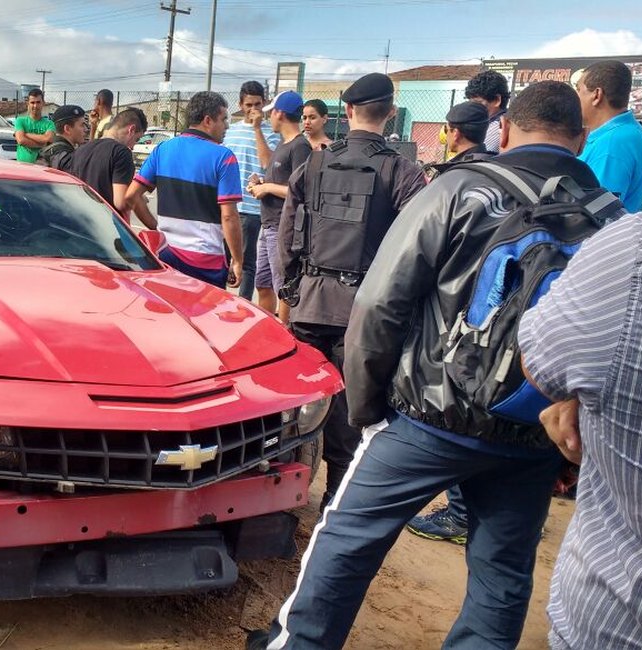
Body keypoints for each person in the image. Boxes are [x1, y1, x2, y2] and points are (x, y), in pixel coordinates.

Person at [249, 80, 612, 650]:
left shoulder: (461, 188)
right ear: (583, 139)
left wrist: (368, 407)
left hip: (430, 416)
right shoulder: (607, 217)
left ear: (508, 130)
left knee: (347, 539)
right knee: (503, 573)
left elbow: (380, 302)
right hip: (534, 429)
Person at [520, 202, 642, 650]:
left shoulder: (640, 247)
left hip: (620, 619)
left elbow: (540, 362)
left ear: (503, 130)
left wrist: (583, 389)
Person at [277, 72, 426, 511]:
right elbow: (417, 246)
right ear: (391, 113)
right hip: (363, 314)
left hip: (310, 302)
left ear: (346, 113)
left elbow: (287, 232)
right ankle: (333, 506)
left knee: (297, 408)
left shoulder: (315, 163)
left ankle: (282, 499)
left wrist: (292, 288)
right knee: (348, 417)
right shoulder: (403, 171)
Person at [405, 99, 495, 545]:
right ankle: (475, 513)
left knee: (455, 413)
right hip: (494, 319)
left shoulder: (451, 183)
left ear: (451, 132)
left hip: (451, 318)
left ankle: (459, 514)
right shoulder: (504, 179)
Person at [124, 91, 243, 289]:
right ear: (208, 120)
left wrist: (155, 227)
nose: (227, 126)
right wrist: (238, 261)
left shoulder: (163, 149)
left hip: (166, 256)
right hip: (206, 262)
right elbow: (229, 216)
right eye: (223, 119)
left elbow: (130, 197)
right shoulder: (224, 157)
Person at [247, 91, 311, 320]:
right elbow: (282, 180)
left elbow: (301, 191)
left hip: (282, 227)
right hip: (269, 225)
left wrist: (267, 188)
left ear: (279, 113)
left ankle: (285, 330)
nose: (269, 119)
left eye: (271, 113)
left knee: (282, 285)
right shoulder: (285, 145)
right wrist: (262, 184)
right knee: (263, 283)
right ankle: (268, 328)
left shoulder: (300, 147)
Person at [223, 80, 280, 300]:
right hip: (229, 204)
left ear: (264, 103)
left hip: (255, 207)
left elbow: (268, 164)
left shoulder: (272, 132)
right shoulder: (231, 131)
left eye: (257, 104)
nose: (253, 109)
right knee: (223, 257)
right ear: (240, 104)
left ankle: (243, 304)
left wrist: (257, 129)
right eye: (248, 104)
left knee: (248, 263)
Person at [576, 60, 642, 213]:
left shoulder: (612, 144)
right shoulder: (626, 131)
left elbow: (597, 217)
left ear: (596, 95)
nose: (575, 97)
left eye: (579, 90)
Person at [67, 107, 152, 222]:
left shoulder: (81, 150)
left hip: (82, 223)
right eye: (136, 139)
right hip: (107, 228)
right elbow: (121, 202)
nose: (133, 146)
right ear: (131, 130)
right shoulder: (121, 153)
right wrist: (137, 198)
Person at [465, 69, 510, 154]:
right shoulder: (510, 122)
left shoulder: (497, 128)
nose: (472, 109)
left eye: (478, 103)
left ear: (497, 100)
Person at [38, 104, 87, 170]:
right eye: (82, 125)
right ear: (67, 129)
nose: (86, 129)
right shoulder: (64, 157)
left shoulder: (51, 150)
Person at [14, 88, 55, 163]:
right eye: (32, 102)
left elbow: (48, 139)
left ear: (43, 103)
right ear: (28, 104)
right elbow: (21, 140)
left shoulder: (49, 123)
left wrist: (27, 134)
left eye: (38, 102)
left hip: (42, 168)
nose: (35, 106)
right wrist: (43, 145)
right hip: (22, 166)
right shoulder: (20, 121)